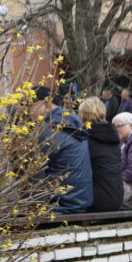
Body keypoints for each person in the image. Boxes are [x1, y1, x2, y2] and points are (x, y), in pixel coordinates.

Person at [30, 86, 94, 214]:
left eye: (30, 106)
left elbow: (31, 170)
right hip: (79, 200)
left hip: (60, 204)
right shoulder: (71, 124)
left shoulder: (49, 131)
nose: (28, 112)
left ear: (46, 103)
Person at [78, 97, 124, 212]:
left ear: (83, 116)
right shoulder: (112, 137)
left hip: (97, 201)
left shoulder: (86, 139)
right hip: (116, 199)